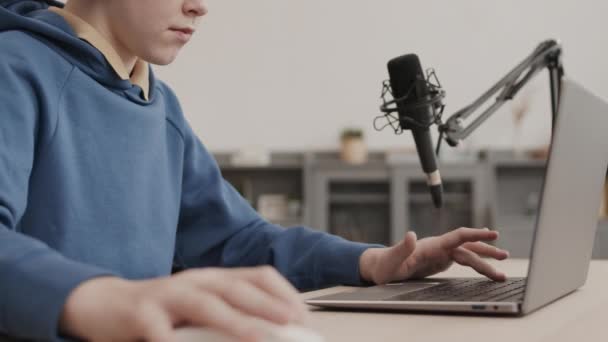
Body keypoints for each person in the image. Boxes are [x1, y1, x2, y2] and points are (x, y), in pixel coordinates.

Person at [0, 0, 510, 341]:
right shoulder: (15, 68)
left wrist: (374, 263)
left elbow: (238, 240)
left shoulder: (160, 106)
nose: (200, 5)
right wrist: (104, 298)